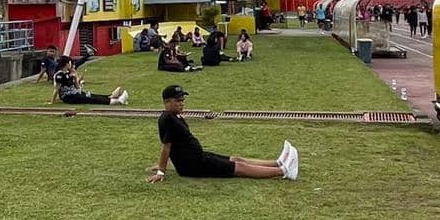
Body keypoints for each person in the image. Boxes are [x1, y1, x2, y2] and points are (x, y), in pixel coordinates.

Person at [148, 85, 298, 182]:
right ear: (167, 102)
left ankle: (276, 163)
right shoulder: (167, 119)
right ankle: (283, 171)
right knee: (239, 168)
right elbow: (166, 146)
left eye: (183, 100)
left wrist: (163, 164)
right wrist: (161, 171)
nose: (182, 103)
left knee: (237, 159)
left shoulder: (174, 116)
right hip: (194, 165)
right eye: (178, 101)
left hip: (198, 156)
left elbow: (174, 146)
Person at [51, 56, 128, 105]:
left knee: (91, 95)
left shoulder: (70, 73)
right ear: (67, 64)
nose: (72, 65)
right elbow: (56, 89)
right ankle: (117, 101)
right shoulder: (60, 75)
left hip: (75, 93)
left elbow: (77, 87)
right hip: (69, 97)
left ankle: (111, 96)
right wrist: (52, 102)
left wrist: (75, 77)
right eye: (70, 63)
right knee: (90, 99)